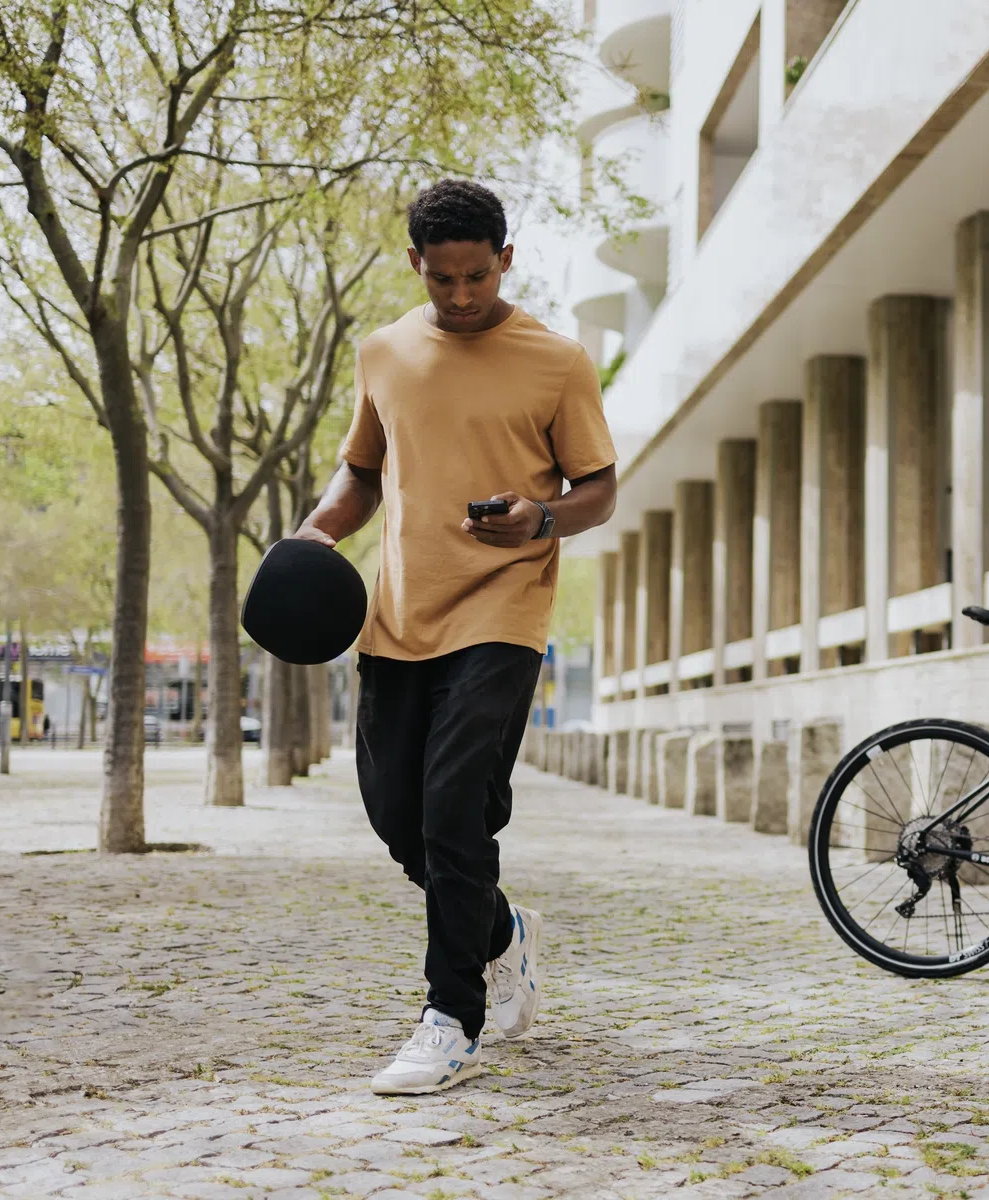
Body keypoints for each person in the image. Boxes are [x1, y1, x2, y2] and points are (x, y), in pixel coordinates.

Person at [292, 179, 617, 1094]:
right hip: (399, 617)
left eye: (478, 276)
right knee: (401, 823)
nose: (463, 295)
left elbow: (598, 487)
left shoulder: (557, 361)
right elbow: (360, 472)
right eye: (444, 280)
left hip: (503, 613)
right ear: (416, 267)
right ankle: (503, 930)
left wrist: (541, 518)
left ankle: (450, 1016)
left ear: (505, 259)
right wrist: (318, 532)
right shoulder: (384, 353)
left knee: (451, 807)